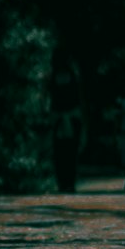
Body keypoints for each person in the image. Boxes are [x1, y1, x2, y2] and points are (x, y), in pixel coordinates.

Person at [50, 48, 83, 193]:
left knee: (69, 151)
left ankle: (68, 182)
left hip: (70, 117)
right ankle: (64, 182)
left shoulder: (72, 76)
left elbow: (79, 99)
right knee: (61, 151)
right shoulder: (52, 77)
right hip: (59, 118)